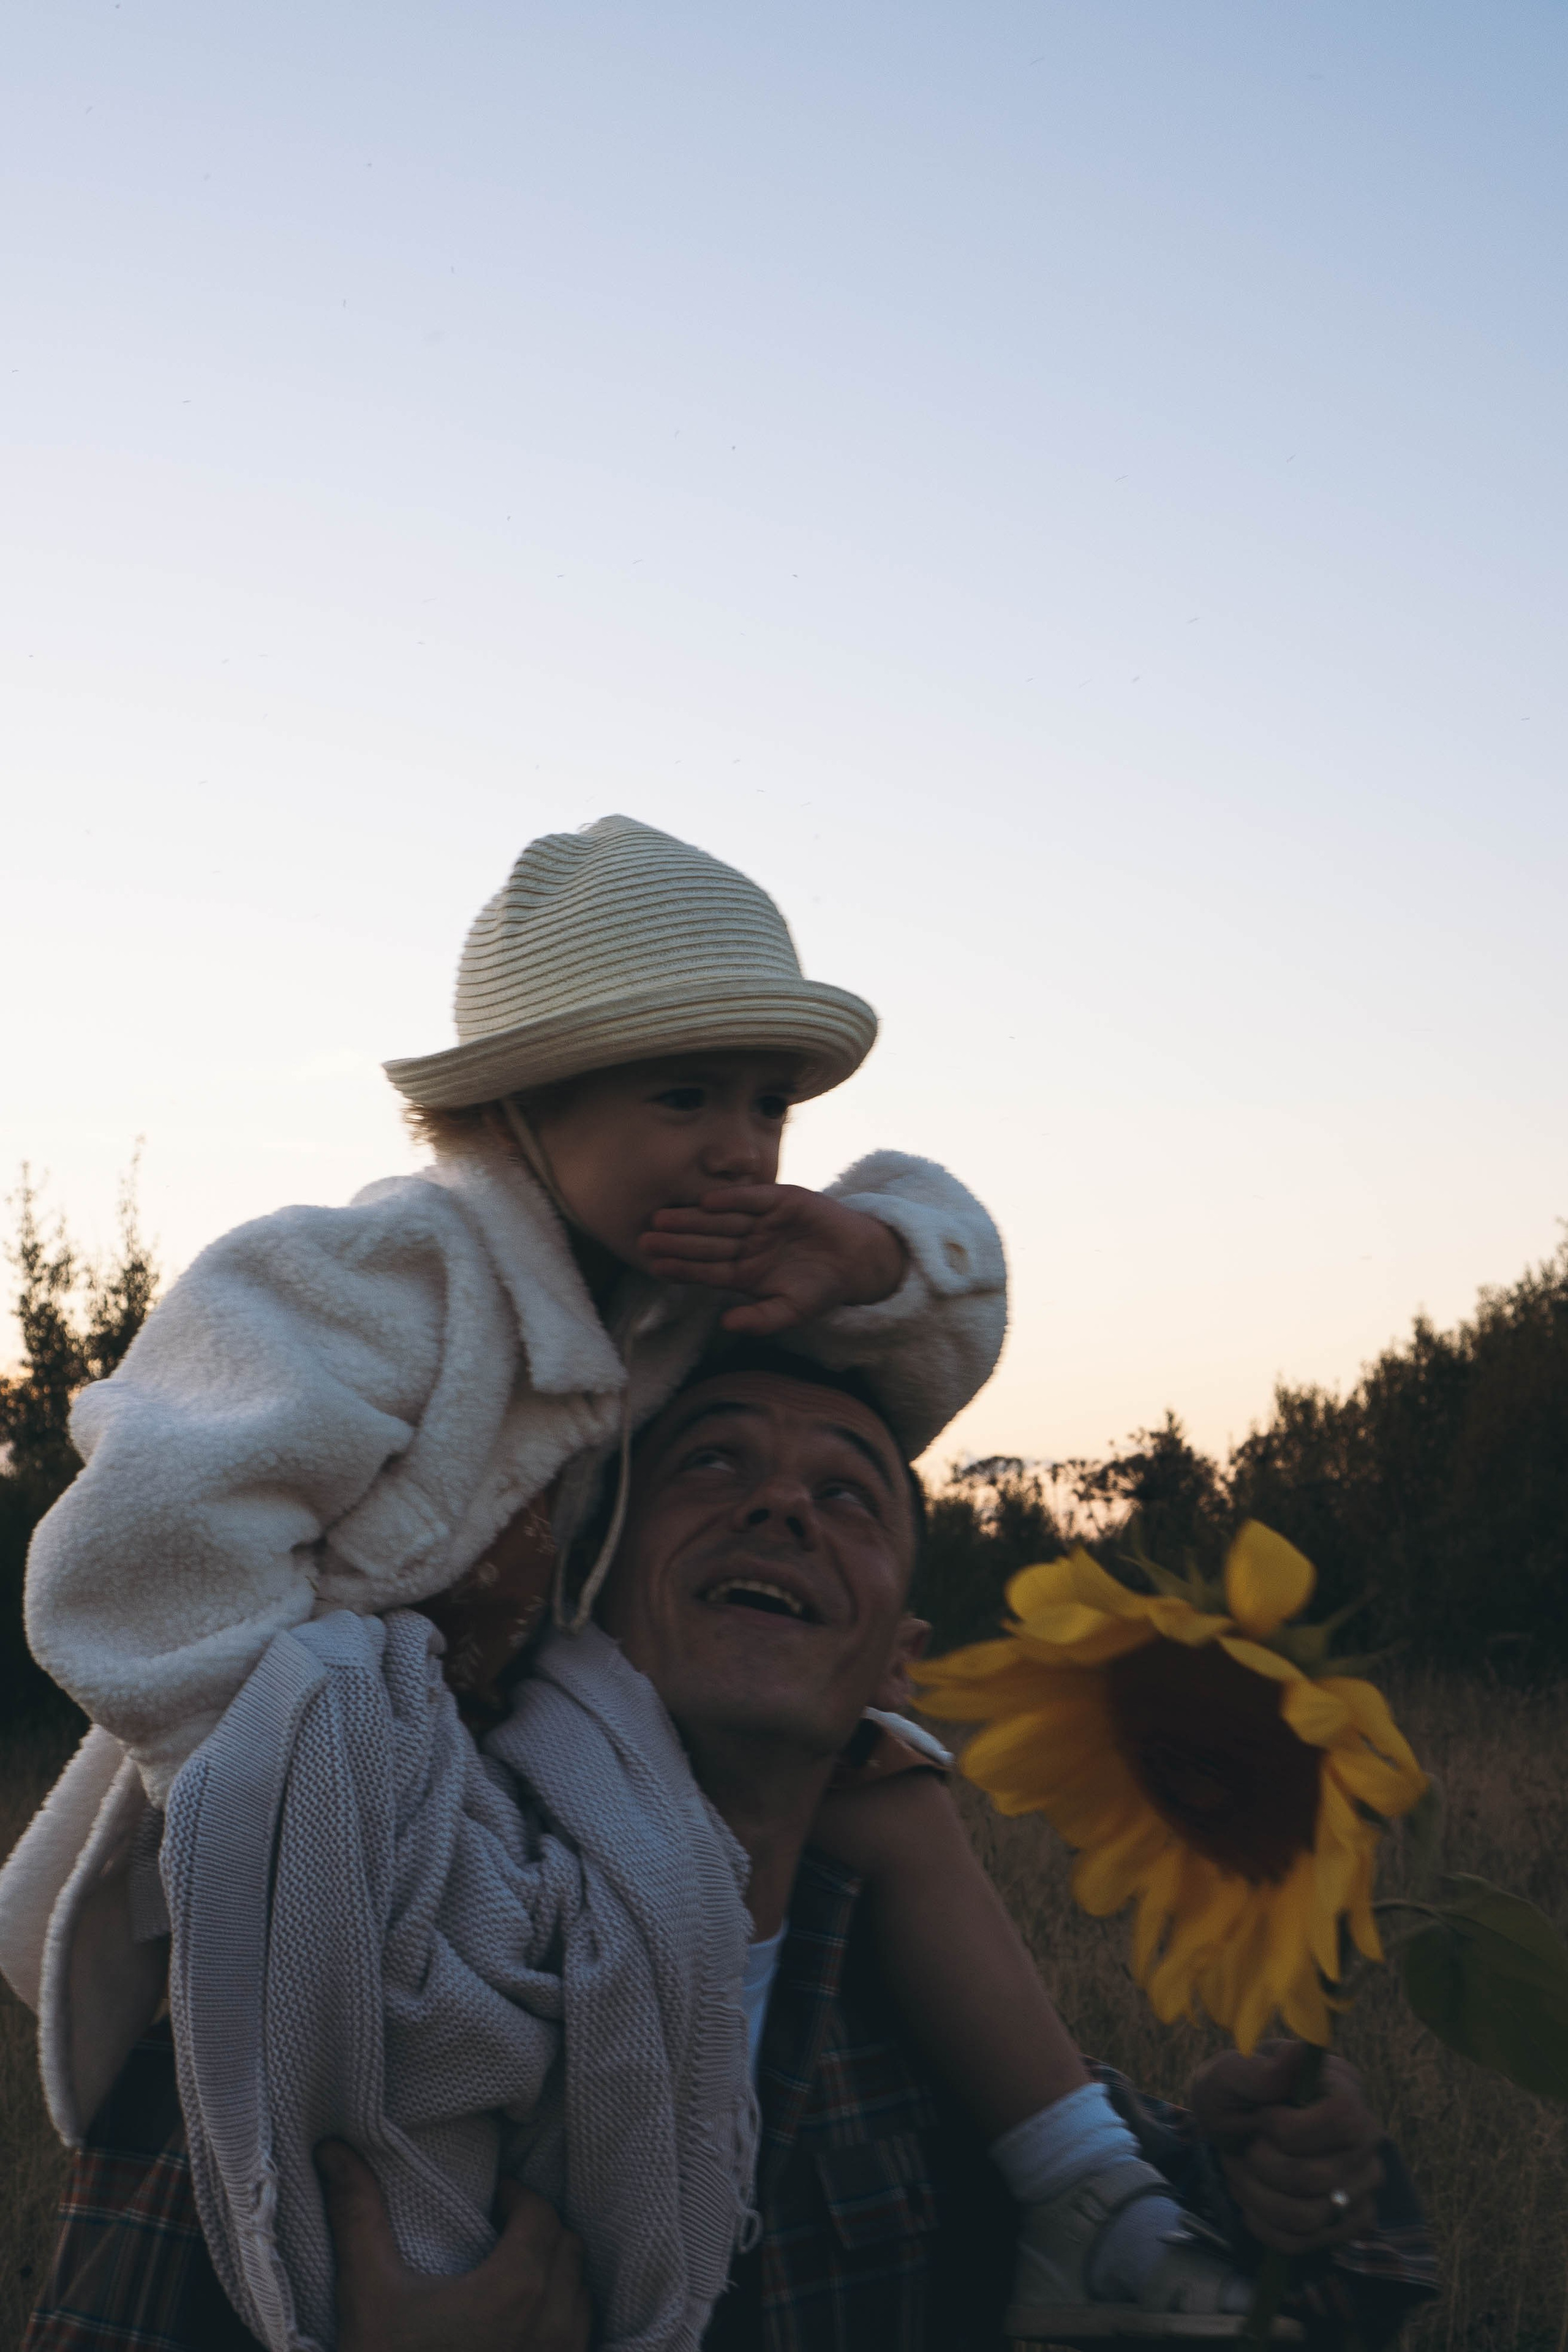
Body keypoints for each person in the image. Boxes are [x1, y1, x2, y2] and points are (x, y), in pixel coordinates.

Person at [22, 1351, 1438, 2351]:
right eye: (712, 1461)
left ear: (895, 1661)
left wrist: (1302, 2179)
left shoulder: (928, 2052)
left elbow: (1314, 2288)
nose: (782, 1508)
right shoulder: (321, 1953)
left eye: (850, 1495)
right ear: (586, 1587)